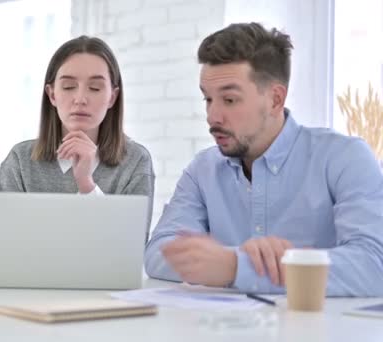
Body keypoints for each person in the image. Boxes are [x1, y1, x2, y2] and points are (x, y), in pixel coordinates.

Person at [144, 22, 383, 296]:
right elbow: (159, 252)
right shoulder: (202, 170)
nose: (212, 116)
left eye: (230, 100)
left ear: (275, 99)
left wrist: (235, 266)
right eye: (208, 99)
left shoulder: (345, 158)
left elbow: (374, 266)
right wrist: (230, 261)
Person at [0, 36, 155, 235]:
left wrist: (87, 185)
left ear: (112, 97)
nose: (80, 99)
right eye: (69, 87)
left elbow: (133, 249)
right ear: (52, 95)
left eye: (95, 88)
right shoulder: (20, 159)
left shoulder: (136, 160)